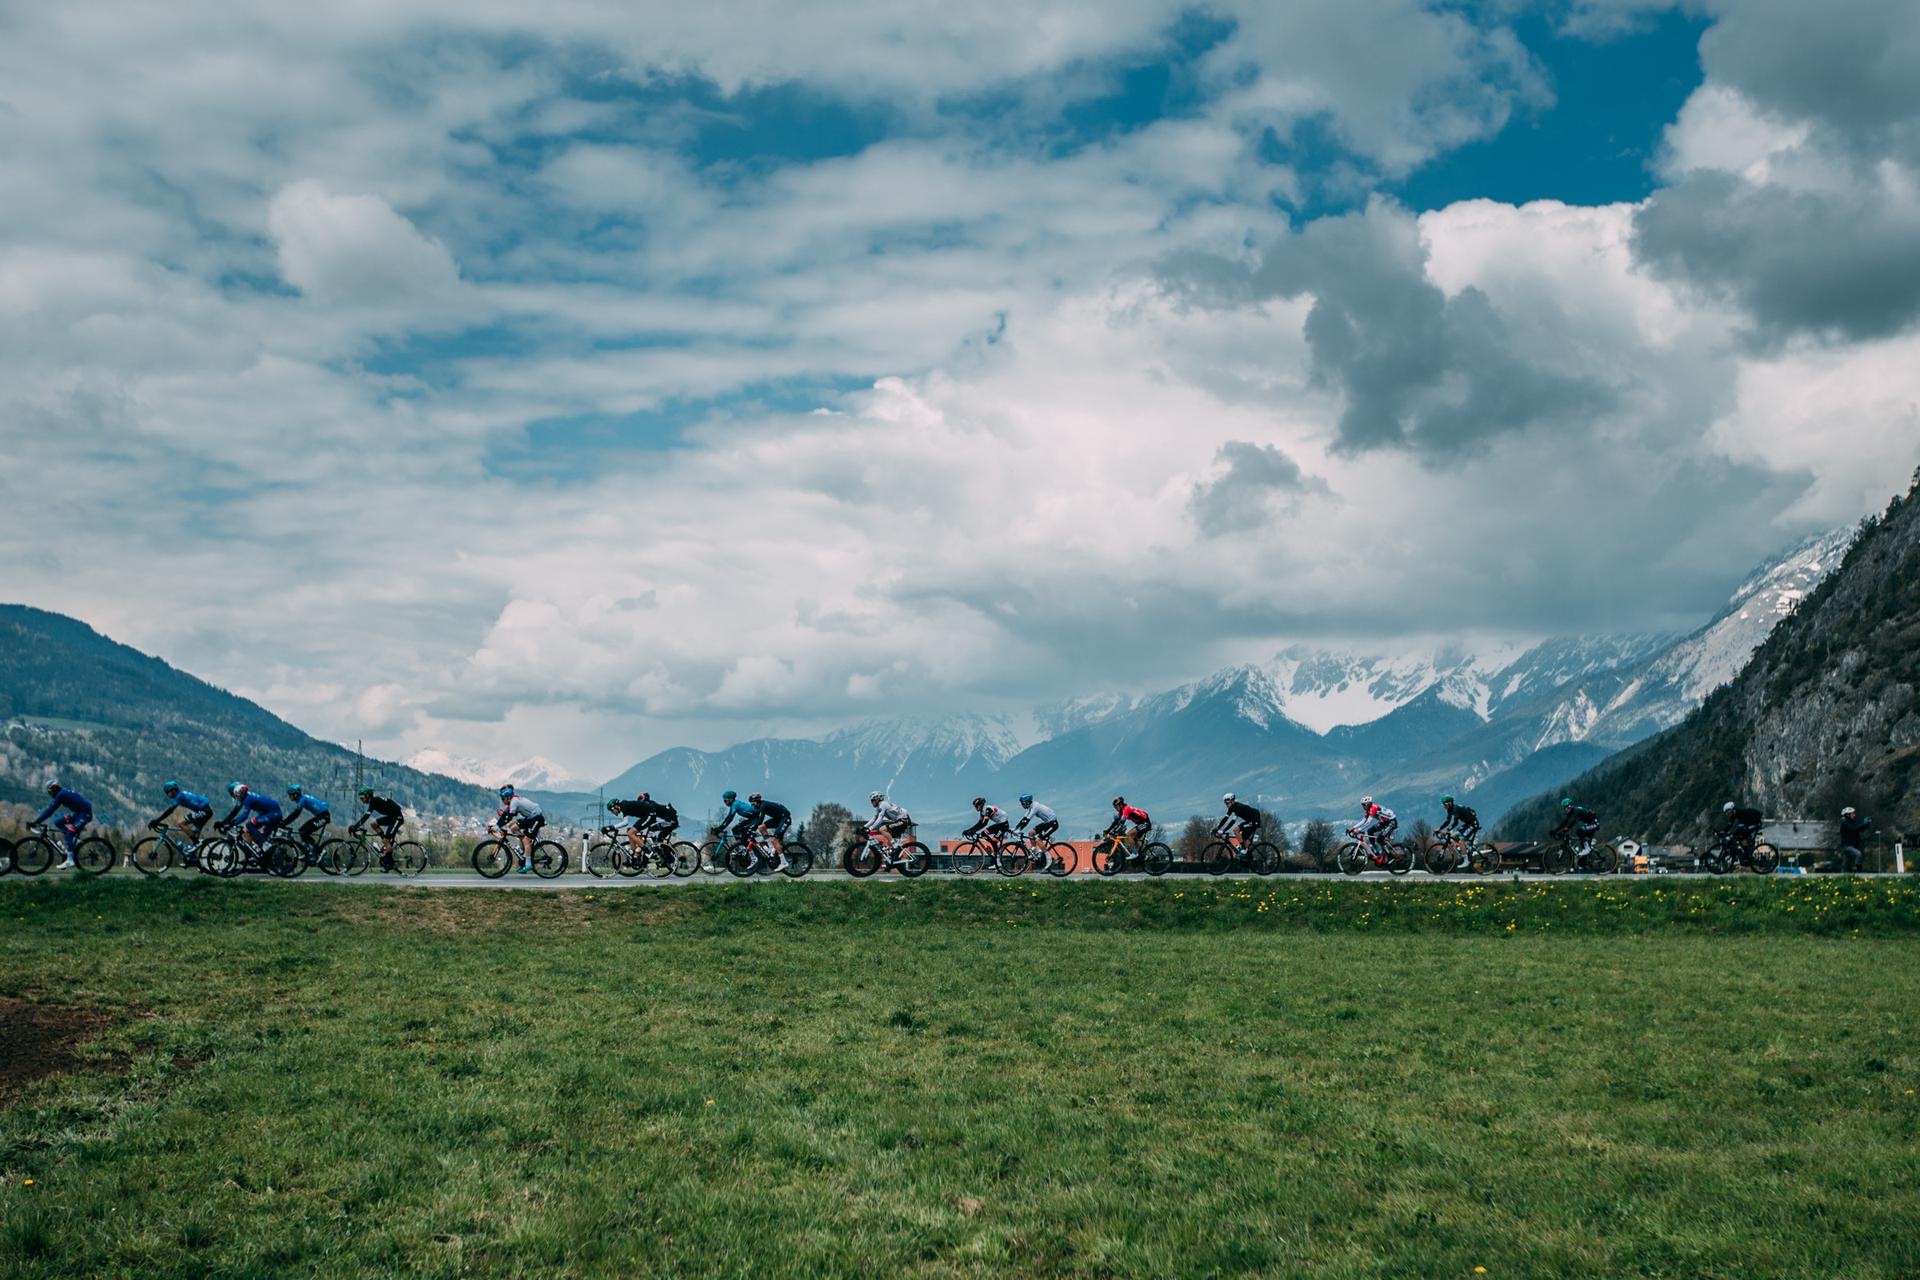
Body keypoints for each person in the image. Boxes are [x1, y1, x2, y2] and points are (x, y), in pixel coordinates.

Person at [33, 781, 94, 870]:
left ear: (54, 788)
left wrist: (37, 821)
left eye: (50, 792)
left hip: (84, 814)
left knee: (69, 833)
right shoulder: (62, 793)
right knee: (58, 822)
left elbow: (50, 810)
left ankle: (70, 860)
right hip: (79, 813)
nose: (50, 794)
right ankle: (72, 840)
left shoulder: (61, 795)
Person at [220, 783, 285, 863]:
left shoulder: (248, 799)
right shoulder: (245, 797)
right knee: (250, 831)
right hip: (269, 813)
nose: (236, 798)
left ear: (240, 794)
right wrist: (226, 822)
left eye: (237, 796)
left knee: (249, 825)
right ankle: (260, 855)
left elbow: (244, 815)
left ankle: (266, 844)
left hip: (273, 813)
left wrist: (233, 823)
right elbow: (235, 811)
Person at [349, 787, 406, 869]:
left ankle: (389, 864)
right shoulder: (374, 801)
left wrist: (356, 826)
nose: (361, 800)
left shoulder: (374, 801)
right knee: (374, 824)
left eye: (362, 798)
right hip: (392, 817)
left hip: (397, 818)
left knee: (386, 841)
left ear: (367, 795)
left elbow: (366, 816)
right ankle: (386, 841)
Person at [495, 785, 545, 874]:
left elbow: (509, 817)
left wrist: (498, 826)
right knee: (512, 827)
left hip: (536, 818)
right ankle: (527, 848)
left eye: (503, 799)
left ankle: (529, 864)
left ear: (508, 797)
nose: (502, 801)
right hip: (530, 818)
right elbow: (505, 815)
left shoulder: (514, 802)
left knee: (526, 840)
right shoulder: (512, 801)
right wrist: (497, 824)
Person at [1013, 793, 1059, 871]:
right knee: (1031, 833)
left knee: (1038, 839)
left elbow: (1027, 820)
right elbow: (1024, 818)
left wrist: (1019, 830)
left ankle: (1049, 859)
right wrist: (1016, 828)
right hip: (1047, 823)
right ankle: (1034, 849)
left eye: (1023, 803)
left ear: (1027, 802)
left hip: (1053, 823)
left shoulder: (1035, 807)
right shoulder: (1030, 807)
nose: (1022, 805)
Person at [750, 793, 793, 869]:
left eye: (753, 803)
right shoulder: (761, 806)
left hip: (785, 818)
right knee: (761, 827)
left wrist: (752, 828)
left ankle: (784, 862)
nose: (752, 805)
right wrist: (751, 826)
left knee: (774, 840)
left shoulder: (763, 805)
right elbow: (758, 821)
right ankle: (771, 847)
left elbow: (760, 820)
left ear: (757, 801)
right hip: (779, 819)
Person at [1838, 806, 1873, 873]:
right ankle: (1859, 872)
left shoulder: (1851, 822)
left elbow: (1859, 829)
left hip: (1851, 845)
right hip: (1847, 846)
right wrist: (1863, 823)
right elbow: (1854, 829)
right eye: (1852, 813)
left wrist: (1866, 824)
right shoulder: (1845, 823)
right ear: (1848, 815)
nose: (1854, 815)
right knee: (1858, 854)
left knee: (1846, 863)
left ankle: (1842, 875)